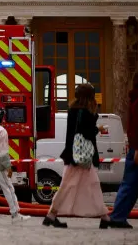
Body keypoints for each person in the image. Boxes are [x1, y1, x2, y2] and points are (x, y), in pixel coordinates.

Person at [45, 81, 110, 229]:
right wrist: (97, 128)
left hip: (73, 154)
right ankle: (104, 217)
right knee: (88, 185)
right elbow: (86, 132)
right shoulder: (85, 112)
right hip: (81, 156)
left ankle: (52, 214)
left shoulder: (73, 110)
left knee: (70, 185)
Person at [109, 69, 138, 228]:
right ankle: (116, 217)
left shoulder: (135, 99)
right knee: (130, 185)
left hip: (136, 148)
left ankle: (117, 216)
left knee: (130, 185)